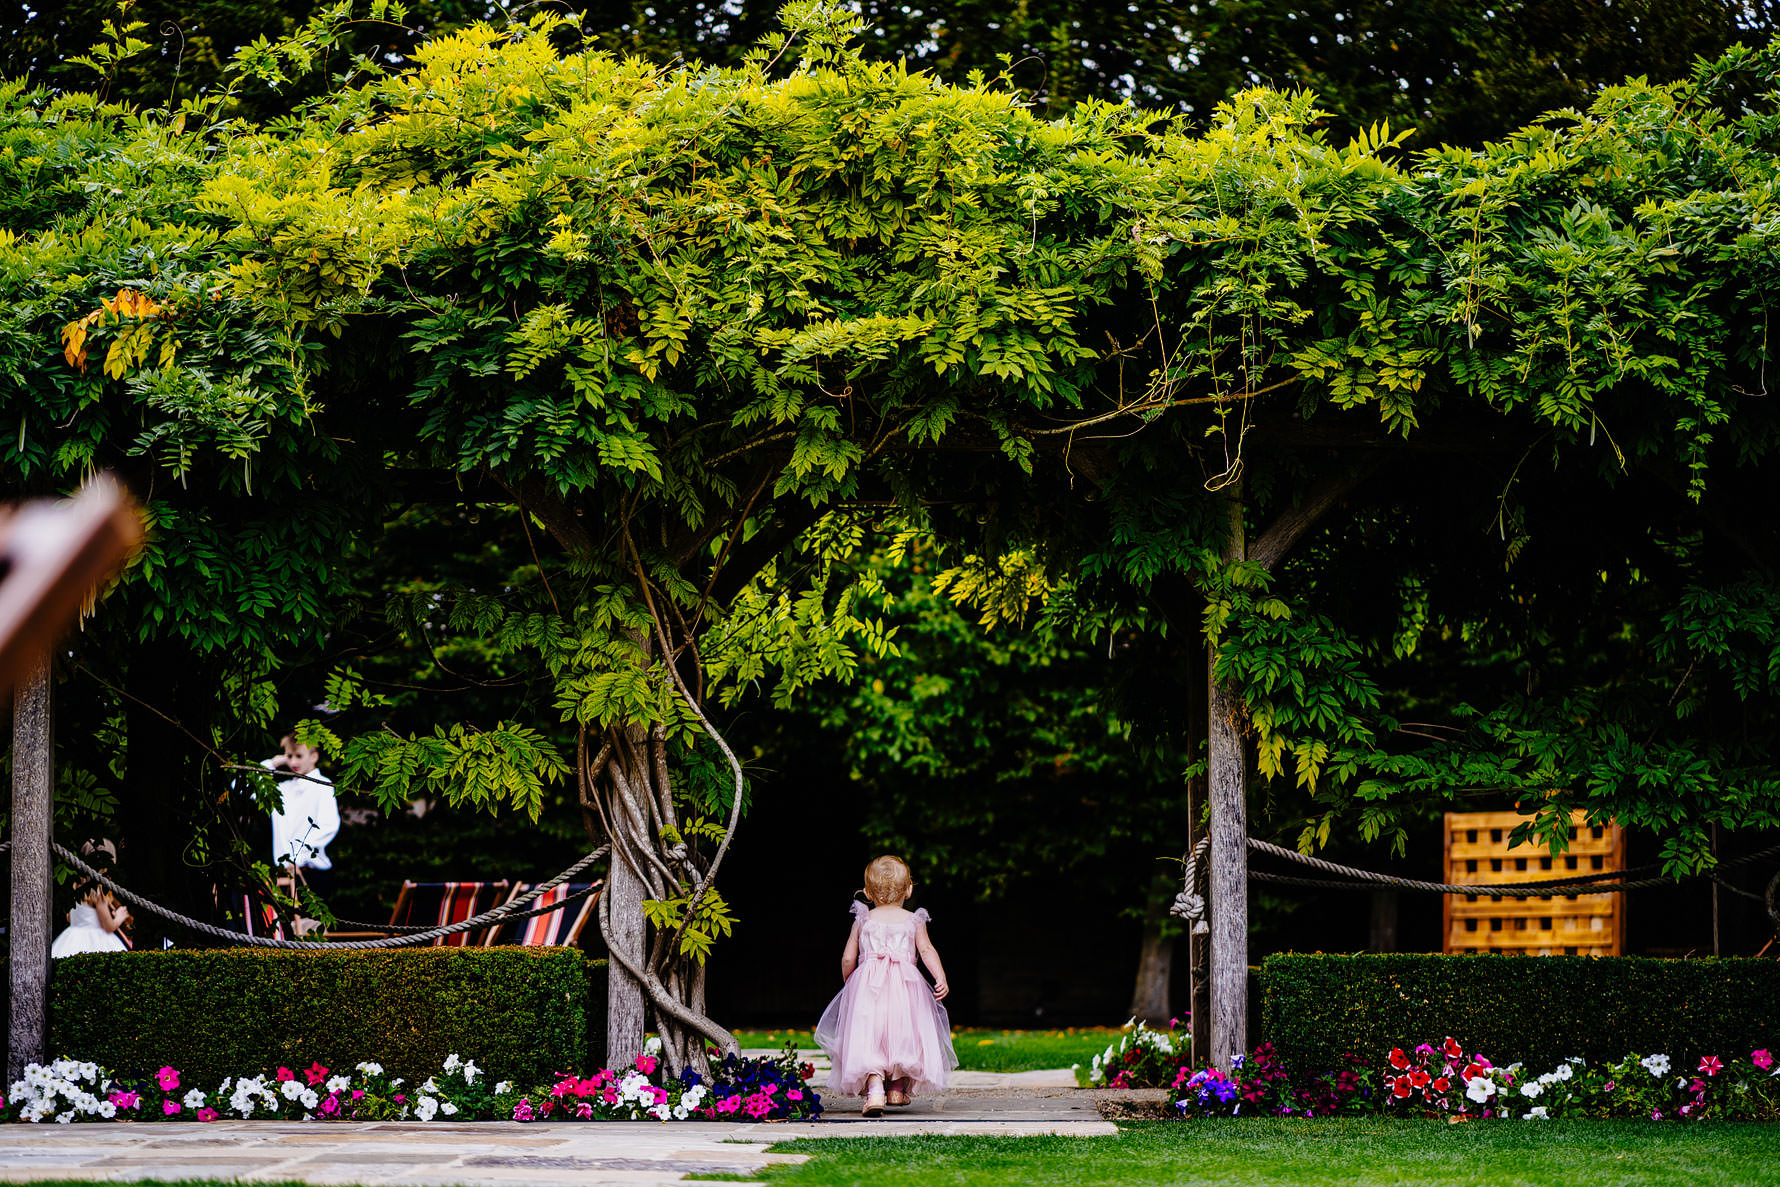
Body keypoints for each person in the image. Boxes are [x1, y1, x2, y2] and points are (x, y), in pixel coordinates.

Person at [814, 854, 958, 1116]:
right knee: (902, 1035)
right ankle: (896, 1088)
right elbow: (926, 950)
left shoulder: (864, 919)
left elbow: (848, 956)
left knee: (870, 1036)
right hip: (906, 987)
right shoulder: (913, 920)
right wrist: (940, 977)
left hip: (869, 987)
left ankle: (876, 1090)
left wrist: (851, 980)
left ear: (868, 892)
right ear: (910, 889)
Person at [265, 733, 339, 899]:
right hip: (284, 876)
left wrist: (298, 857)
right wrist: (273, 763)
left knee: (310, 924)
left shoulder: (323, 786)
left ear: (314, 756)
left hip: (312, 874)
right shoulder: (283, 790)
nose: (293, 762)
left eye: (299, 756)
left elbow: (328, 826)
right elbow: (241, 786)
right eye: (289, 756)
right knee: (284, 924)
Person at [51, 840, 129, 957]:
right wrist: (119, 916)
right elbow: (109, 926)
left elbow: (69, 918)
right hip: (97, 939)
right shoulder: (97, 891)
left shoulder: (75, 886)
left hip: (72, 937)